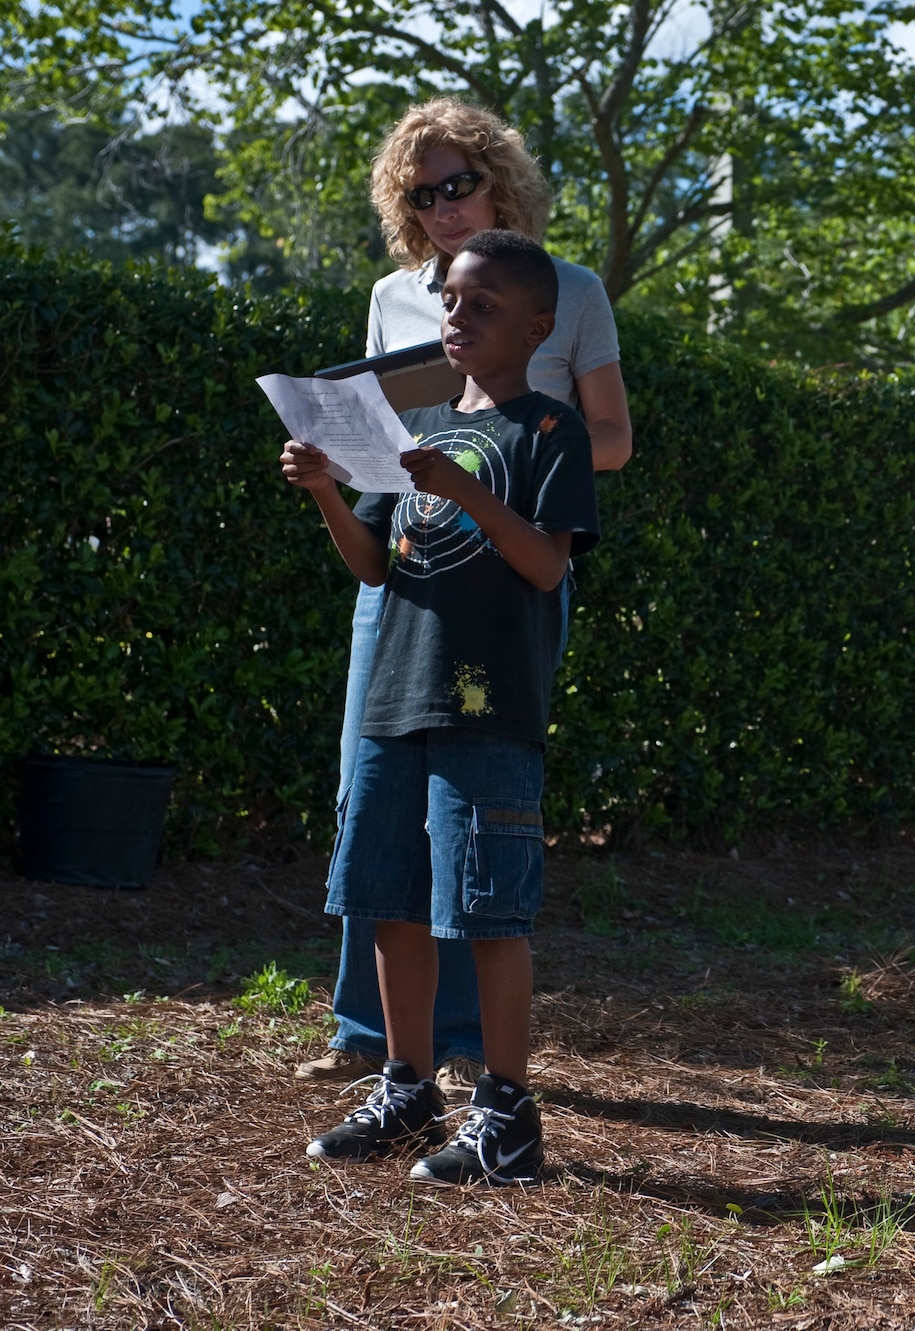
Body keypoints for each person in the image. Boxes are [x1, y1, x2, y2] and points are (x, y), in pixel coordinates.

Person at [295, 98, 631, 1095]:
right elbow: (381, 451)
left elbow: (610, 437)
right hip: (404, 567)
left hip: (505, 564)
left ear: (502, 182)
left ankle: (467, 1049)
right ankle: (372, 1036)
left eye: (458, 185)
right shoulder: (393, 296)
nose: (440, 206)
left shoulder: (562, 291)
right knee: (375, 796)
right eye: (419, 192)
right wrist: (337, 467)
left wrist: (531, 444)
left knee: (474, 806)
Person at [280, 230, 598, 1184]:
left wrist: (465, 491)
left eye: (485, 307)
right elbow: (376, 563)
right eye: (453, 303)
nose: (458, 318)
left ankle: (507, 1111)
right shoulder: (415, 428)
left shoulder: (548, 430)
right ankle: (408, 1089)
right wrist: (331, 493)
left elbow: (546, 563)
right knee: (388, 898)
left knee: (488, 909)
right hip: (396, 698)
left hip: (488, 706)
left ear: (538, 327)